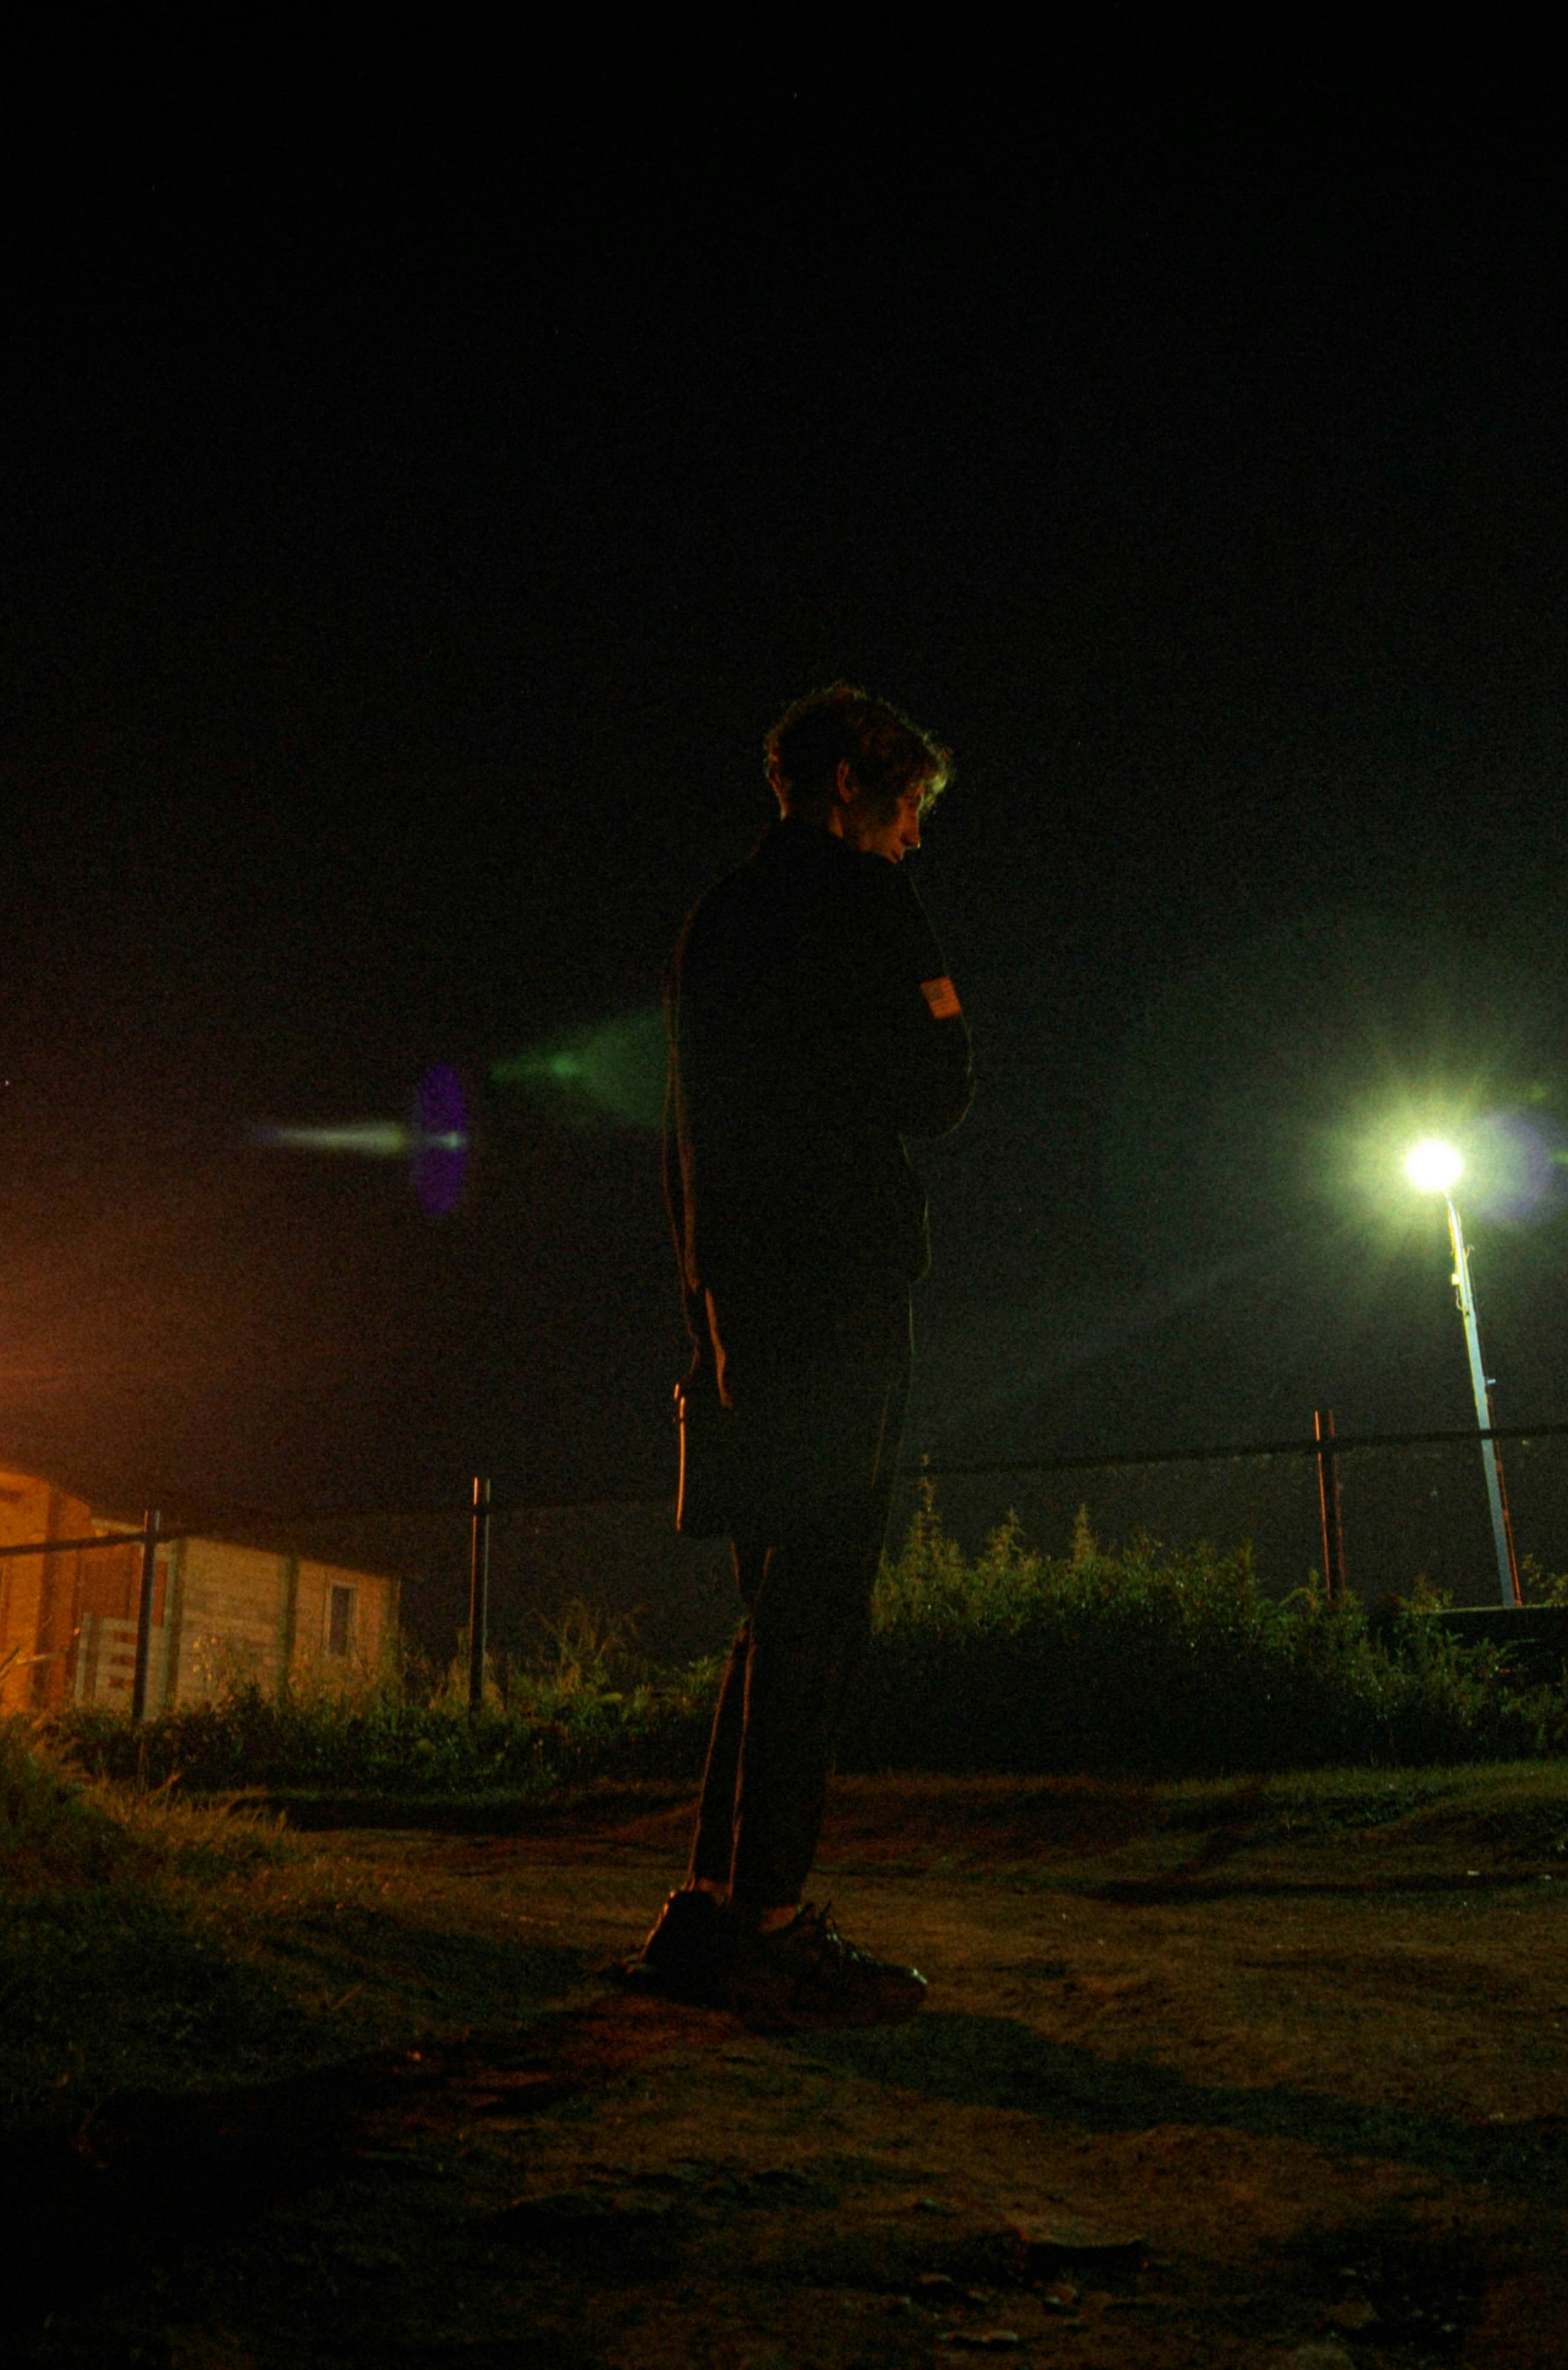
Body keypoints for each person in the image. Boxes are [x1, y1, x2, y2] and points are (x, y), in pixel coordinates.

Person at [623, 683, 971, 2022]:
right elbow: (946, 1087)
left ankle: (710, 1910)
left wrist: (708, 1285)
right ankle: (768, 1920)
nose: (913, 838)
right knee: (822, 1600)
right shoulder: (871, 906)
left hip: (742, 1291)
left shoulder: (717, 923)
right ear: (852, 789)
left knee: (774, 1596)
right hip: (843, 1286)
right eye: (908, 808)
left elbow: (690, 1127)